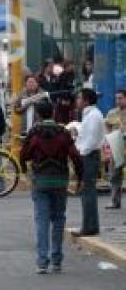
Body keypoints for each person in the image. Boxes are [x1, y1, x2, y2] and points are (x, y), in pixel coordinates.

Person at [20, 101, 83, 274]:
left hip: (40, 180)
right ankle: (56, 260)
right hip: (60, 181)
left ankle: (42, 262)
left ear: (38, 115)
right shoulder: (63, 132)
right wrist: (79, 176)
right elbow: (75, 156)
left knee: (42, 220)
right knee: (58, 218)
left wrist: (25, 169)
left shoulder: (34, 133)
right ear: (53, 113)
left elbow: (23, 155)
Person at [75, 88, 104, 237]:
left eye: (79, 98)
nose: (77, 101)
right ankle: (91, 225)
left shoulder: (93, 116)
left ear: (86, 100)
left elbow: (91, 140)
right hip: (87, 155)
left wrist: (81, 152)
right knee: (87, 191)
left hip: (89, 156)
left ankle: (89, 226)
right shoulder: (89, 115)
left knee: (88, 192)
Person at [105, 90, 126, 210]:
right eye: (116, 98)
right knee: (114, 174)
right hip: (116, 147)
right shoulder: (112, 113)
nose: (118, 101)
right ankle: (115, 201)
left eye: (121, 98)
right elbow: (107, 125)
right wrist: (109, 135)